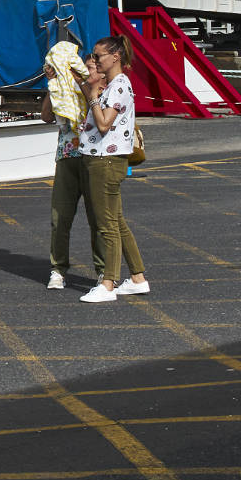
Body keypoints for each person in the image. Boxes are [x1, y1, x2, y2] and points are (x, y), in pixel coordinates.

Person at [76, 35, 151, 303]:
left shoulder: (118, 85)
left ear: (115, 56)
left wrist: (94, 96)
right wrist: (91, 90)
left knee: (106, 224)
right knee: (116, 221)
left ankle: (108, 283)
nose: (95, 61)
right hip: (102, 158)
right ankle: (137, 278)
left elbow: (104, 123)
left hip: (105, 161)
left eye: (99, 56)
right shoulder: (115, 85)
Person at [39, 41, 91, 290]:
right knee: (60, 218)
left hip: (94, 157)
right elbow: (47, 116)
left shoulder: (95, 87)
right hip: (67, 155)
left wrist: (75, 78)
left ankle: (104, 271)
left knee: (99, 219)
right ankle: (57, 269)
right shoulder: (64, 87)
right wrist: (54, 84)